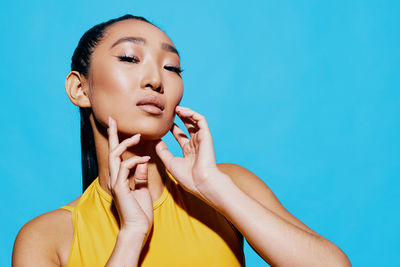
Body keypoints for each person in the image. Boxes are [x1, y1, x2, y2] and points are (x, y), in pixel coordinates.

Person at [12, 14, 351, 267]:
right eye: (130, 58)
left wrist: (215, 188)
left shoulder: (229, 184)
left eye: (172, 67)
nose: (155, 79)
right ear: (79, 88)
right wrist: (131, 235)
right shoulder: (47, 237)